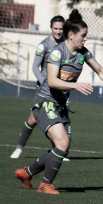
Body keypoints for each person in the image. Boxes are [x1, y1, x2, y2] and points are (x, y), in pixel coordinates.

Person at [15, 9, 103, 194]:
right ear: (71, 34)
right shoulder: (56, 52)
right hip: (45, 102)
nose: (85, 40)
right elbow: (51, 80)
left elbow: (100, 71)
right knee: (62, 143)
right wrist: (75, 86)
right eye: (83, 36)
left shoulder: (83, 53)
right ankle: (45, 185)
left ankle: (27, 173)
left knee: (62, 147)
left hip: (60, 105)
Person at [10, 15, 69, 160]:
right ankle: (19, 147)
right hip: (44, 90)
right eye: (56, 28)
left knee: (59, 118)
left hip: (60, 91)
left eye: (61, 29)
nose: (58, 31)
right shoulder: (44, 45)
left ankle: (59, 150)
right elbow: (35, 67)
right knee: (32, 119)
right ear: (51, 28)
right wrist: (45, 81)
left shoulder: (66, 45)